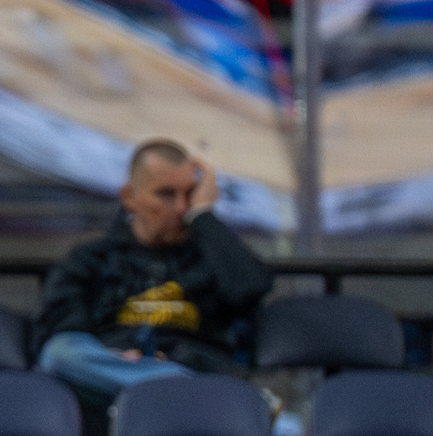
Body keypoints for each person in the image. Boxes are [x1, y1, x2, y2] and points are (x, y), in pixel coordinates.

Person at [33, 139, 272, 419]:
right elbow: (61, 330)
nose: (182, 208)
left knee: (296, 435)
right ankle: (176, 386)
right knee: (59, 353)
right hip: (115, 394)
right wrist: (121, 358)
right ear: (130, 196)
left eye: (191, 194)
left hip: (196, 371)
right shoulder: (92, 259)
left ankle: (182, 389)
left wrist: (204, 216)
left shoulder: (211, 258)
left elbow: (252, 288)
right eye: (167, 194)